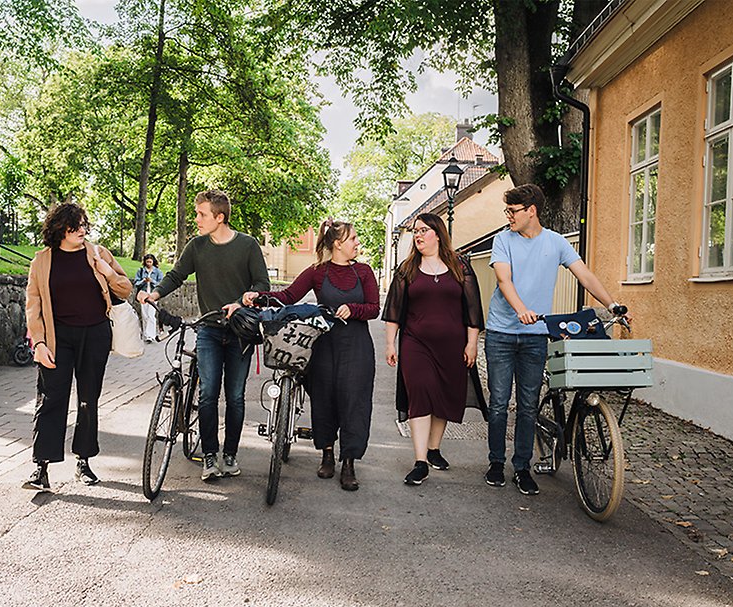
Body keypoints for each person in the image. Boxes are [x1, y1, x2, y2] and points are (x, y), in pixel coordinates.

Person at [485, 183, 630, 496]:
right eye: (507, 211)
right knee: (498, 403)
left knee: (527, 405)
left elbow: (585, 275)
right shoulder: (503, 240)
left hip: (536, 335)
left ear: (531, 211)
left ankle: (521, 467)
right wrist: (521, 309)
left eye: (513, 211)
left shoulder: (556, 242)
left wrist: (611, 304)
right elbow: (503, 278)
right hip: (501, 332)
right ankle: (496, 462)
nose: (508, 216)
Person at [138, 190, 269, 481]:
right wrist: (153, 294)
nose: (197, 219)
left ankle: (230, 454)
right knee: (208, 394)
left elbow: (263, 283)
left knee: (234, 396)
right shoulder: (196, 247)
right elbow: (176, 275)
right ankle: (209, 455)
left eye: (201, 214)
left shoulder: (247, 245)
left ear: (219, 217)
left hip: (240, 333)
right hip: (208, 330)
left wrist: (244, 299)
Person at [243, 219, 379, 491]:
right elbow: (289, 295)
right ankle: (327, 453)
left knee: (354, 402)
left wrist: (353, 309)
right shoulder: (318, 271)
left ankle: (349, 461)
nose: (357, 243)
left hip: (356, 346)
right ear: (338, 244)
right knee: (324, 398)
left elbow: (374, 307)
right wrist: (258, 297)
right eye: (353, 239)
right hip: (323, 345)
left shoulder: (364, 272)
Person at [23, 202, 132, 492]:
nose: (83, 230)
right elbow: (33, 306)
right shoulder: (42, 261)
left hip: (94, 336)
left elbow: (125, 288)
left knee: (88, 399)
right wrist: (40, 342)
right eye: (77, 225)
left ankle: (83, 462)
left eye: (85, 225)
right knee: (50, 399)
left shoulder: (98, 253)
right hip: (58, 339)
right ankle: (41, 468)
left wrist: (106, 271)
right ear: (60, 228)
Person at [382, 213, 488, 486]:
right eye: (415, 231)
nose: (418, 235)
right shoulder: (407, 269)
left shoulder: (460, 266)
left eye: (424, 230)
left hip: (452, 345)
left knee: (444, 395)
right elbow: (393, 310)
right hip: (416, 343)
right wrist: (391, 343)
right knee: (420, 393)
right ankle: (420, 462)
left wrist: (472, 342)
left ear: (438, 234)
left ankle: (434, 449)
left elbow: (472, 308)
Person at [134, 254, 164, 342]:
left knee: (151, 315)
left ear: (153, 262)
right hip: (143, 294)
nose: (149, 263)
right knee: (145, 315)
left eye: (150, 262)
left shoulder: (158, 272)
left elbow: (161, 284)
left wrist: (152, 281)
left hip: (153, 295)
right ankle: (146, 335)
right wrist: (144, 280)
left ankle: (151, 335)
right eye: (147, 262)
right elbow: (136, 283)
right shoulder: (141, 271)